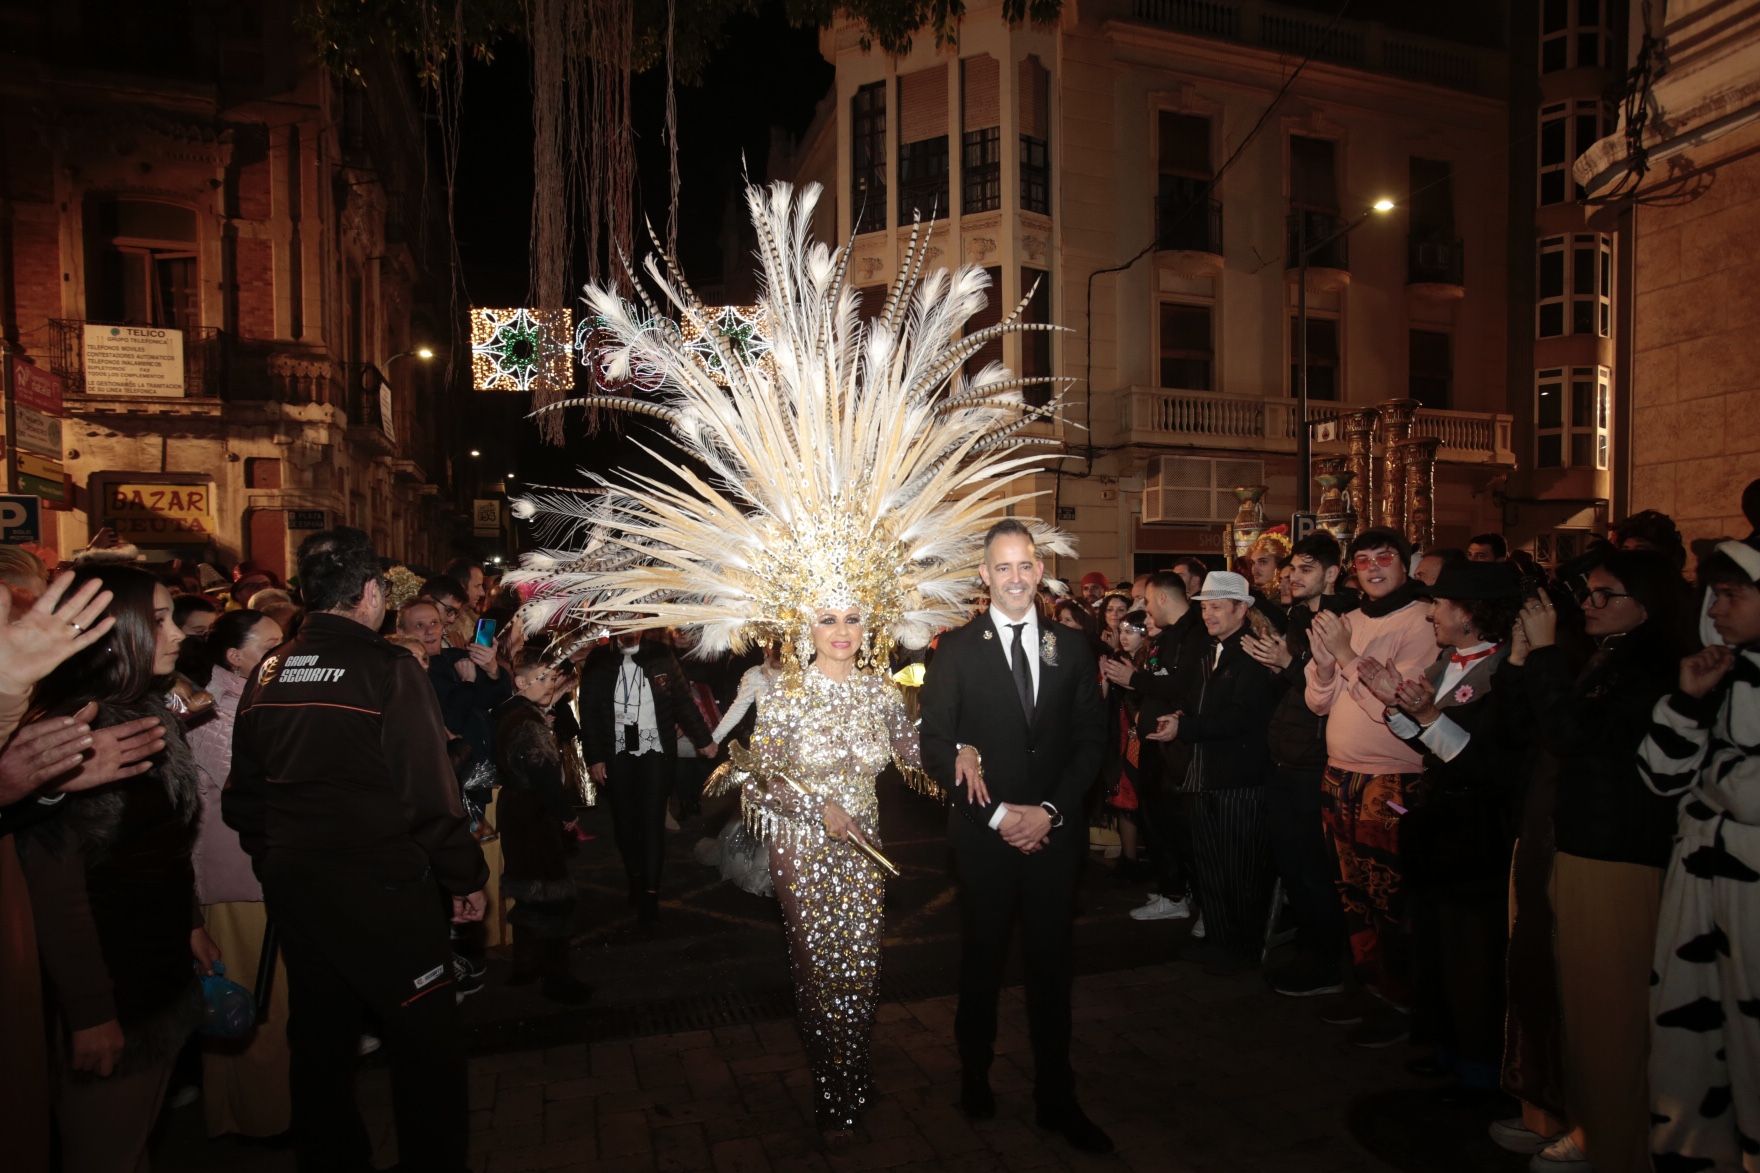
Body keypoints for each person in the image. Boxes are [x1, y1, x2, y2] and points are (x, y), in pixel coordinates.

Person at [503, 180, 1079, 1150]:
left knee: (863, 973)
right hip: (807, 848)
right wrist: (804, 810)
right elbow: (746, 772)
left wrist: (958, 766)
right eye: (830, 618)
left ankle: (847, 1076)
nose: (845, 631)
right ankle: (835, 1081)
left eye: (856, 617)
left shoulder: (882, 687)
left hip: (865, 859)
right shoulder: (779, 688)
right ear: (804, 622)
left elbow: (912, 757)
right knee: (816, 973)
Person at [224, 527, 487, 1173]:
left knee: (320, 1043)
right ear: (371, 593)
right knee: (424, 1046)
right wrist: (463, 877)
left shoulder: (270, 668)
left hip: (299, 890)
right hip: (385, 892)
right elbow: (429, 795)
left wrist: (279, 857)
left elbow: (244, 797)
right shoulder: (388, 668)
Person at [15, 564, 221, 1173]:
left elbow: (160, 844)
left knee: (134, 1141)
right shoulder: (74, 727)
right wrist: (90, 1012)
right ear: (107, 631)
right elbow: (57, 890)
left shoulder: (145, 709)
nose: (177, 633)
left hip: (154, 966)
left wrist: (188, 923)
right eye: (156, 621)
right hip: (110, 983)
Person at [1491, 548, 1687, 1172]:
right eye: (1590, 594)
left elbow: (1575, 735)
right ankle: (1585, 1123)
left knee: (1610, 1013)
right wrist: (1524, 661)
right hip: (1570, 840)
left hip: (1618, 851)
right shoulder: (1608, 654)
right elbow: (1535, 731)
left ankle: (1616, 1144)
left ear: (1647, 603)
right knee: (1570, 1001)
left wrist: (1546, 654)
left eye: (1607, 595)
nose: (1589, 604)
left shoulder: (1655, 665)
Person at [919, 520, 1111, 1154]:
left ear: (1039, 568)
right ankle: (975, 1074)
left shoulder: (1072, 647)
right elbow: (934, 745)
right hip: (984, 839)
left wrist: (1050, 811)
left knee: (1052, 970)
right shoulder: (954, 650)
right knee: (982, 961)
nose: (1016, 578)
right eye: (1003, 567)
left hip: (1055, 839)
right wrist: (1001, 816)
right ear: (985, 575)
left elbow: (1091, 740)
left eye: (1025, 565)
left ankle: (1058, 1095)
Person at [1366, 560, 1526, 1104]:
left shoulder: (1505, 674)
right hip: (1440, 823)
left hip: (1478, 828)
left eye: (1440, 604)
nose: (1432, 612)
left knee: (1473, 950)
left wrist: (1427, 717)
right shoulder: (1445, 662)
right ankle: (1447, 1048)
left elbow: (1482, 762)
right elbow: (1429, 742)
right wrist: (1398, 705)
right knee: (1435, 939)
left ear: (1470, 613)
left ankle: (1482, 1065)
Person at [1638, 537, 1760, 1171]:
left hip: (1751, 906)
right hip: (1700, 903)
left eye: (1733, 596)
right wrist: (1687, 701)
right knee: (1693, 1058)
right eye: (1713, 596)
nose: (1716, 610)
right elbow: (1659, 777)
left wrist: (1718, 783)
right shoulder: (1719, 671)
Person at [1303, 526, 1436, 1047]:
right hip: (1339, 772)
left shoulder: (1422, 621)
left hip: (1392, 777)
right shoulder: (1350, 620)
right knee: (1351, 891)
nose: (1374, 567)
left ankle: (1403, 1000)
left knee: (1391, 895)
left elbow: (1395, 707)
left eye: (1386, 558)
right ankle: (1368, 986)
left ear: (1406, 564)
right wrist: (1323, 661)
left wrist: (1346, 655)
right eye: (1363, 560)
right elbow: (1318, 702)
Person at [185, 607, 291, 1140]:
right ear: (235, 656)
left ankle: (240, 1112)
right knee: (251, 997)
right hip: (237, 875)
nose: (283, 652)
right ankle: (262, 1119)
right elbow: (257, 784)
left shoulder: (253, 699)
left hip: (259, 867)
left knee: (258, 997)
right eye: (271, 644)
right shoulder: (217, 710)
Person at [1147, 571, 1280, 972]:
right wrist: (1179, 716)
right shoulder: (1211, 651)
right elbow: (1196, 702)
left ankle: (1240, 948)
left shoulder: (1253, 655)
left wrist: (1186, 725)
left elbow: (1243, 718)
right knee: (1210, 865)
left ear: (1242, 609)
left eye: (1218, 606)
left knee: (1238, 868)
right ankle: (1220, 939)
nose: (1209, 614)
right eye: (1205, 606)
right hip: (1205, 775)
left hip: (1238, 779)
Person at [1245, 531, 1355, 997]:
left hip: (1316, 761)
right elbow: (1292, 690)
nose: (1293, 577)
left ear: (1331, 574)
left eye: (1305, 569)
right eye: (1292, 569)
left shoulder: (1345, 623)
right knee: (1292, 864)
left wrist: (1289, 663)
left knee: (1316, 868)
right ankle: (1312, 950)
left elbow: (1330, 698)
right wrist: (1277, 668)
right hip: (1284, 757)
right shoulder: (1296, 618)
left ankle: (1331, 961)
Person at [579, 631, 717, 922]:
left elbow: (682, 701)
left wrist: (704, 739)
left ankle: (651, 893)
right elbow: (589, 712)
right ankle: (636, 879)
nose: (630, 627)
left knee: (653, 819)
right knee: (626, 822)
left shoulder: (660, 655)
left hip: (656, 750)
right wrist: (594, 757)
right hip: (617, 752)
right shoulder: (599, 659)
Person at [495, 648, 590, 1003]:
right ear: (521, 681)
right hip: (534, 814)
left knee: (528, 888)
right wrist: (568, 816)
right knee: (552, 894)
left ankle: (525, 965)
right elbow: (546, 777)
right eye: (544, 679)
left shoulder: (512, 712)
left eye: (553, 679)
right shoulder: (526, 724)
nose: (551, 686)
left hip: (518, 810)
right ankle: (557, 977)